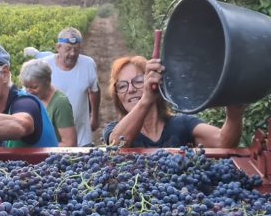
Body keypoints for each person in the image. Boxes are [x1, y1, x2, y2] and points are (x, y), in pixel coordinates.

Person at [103, 55, 245, 148]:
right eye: (122, 86)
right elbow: (116, 146)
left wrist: (234, 112)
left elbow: (223, 142)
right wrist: (145, 100)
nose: (130, 90)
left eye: (139, 81)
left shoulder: (181, 124)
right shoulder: (113, 130)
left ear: (156, 85)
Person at [39, 28, 100, 146]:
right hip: (51, 138)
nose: (72, 54)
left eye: (76, 49)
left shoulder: (88, 64)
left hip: (82, 136)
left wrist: (94, 116)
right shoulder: (45, 65)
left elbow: (95, 90)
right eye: (68, 49)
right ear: (58, 47)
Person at [19, 59, 77, 147]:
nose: (29, 91)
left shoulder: (60, 103)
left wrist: (39, 148)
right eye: (26, 87)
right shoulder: (26, 95)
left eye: (34, 87)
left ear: (47, 81)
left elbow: (70, 143)